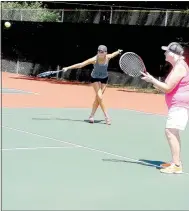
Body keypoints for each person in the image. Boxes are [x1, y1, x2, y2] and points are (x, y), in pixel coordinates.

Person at [141, 42, 189, 174]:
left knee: (170, 132)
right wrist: (154, 82)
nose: (164, 53)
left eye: (167, 51)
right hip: (178, 105)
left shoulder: (179, 67)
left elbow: (167, 88)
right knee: (173, 132)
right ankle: (175, 161)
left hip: (180, 105)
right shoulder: (177, 66)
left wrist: (152, 80)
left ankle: (177, 165)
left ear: (173, 54)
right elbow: (167, 88)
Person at [62, 45, 123, 125]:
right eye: (99, 51)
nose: (100, 53)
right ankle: (106, 116)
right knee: (100, 97)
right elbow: (81, 64)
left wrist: (118, 51)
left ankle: (91, 115)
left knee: (98, 98)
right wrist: (67, 68)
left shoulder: (108, 57)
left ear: (105, 53)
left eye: (102, 52)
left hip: (104, 79)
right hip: (95, 78)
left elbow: (113, 54)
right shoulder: (94, 59)